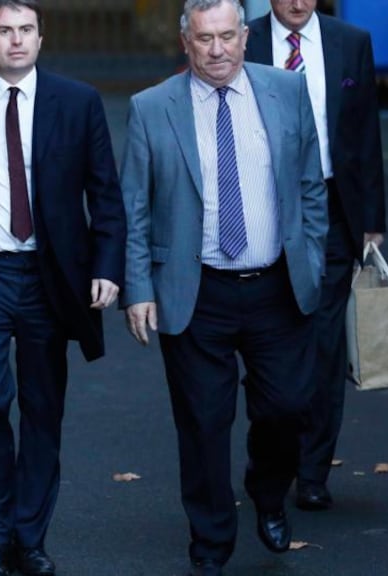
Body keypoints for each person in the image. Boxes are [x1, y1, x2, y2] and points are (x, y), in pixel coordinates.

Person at [0, 1, 126, 574]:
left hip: (49, 274)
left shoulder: (77, 101)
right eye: (4, 31)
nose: (16, 41)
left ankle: (29, 538)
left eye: (25, 30)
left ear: (40, 38)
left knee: (42, 407)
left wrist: (107, 267)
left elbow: (104, 193)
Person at [119, 0, 326, 573]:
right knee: (204, 425)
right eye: (205, 39)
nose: (217, 51)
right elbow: (133, 206)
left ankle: (267, 490)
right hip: (195, 290)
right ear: (185, 41)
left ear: (244, 36)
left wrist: (310, 254)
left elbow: (311, 184)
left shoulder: (285, 92)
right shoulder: (151, 107)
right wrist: (139, 286)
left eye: (228, 36)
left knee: (286, 409)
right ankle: (211, 543)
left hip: (277, 289)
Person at [246, 0, 386, 511]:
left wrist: (372, 219)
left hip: (329, 205)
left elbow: (365, 133)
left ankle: (312, 471)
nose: (298, 2)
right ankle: (270, 457)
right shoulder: (244, 40)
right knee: (269, 337)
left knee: (325, 343)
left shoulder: (351, 43)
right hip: (260, 205)